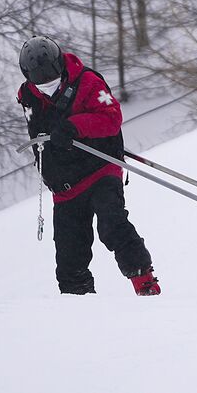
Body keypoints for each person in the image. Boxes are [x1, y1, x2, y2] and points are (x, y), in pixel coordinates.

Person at [17, 35, 160, 296]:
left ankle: (146, 284)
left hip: (100, 168)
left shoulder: (88, 83)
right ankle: (79, 307)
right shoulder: (27, 96)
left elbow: (112, 118)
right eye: (40, 83)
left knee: (112, 225)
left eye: (52, 79)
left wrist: (75, 127)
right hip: (65, 186)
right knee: (69, 254)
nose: (48, 86)